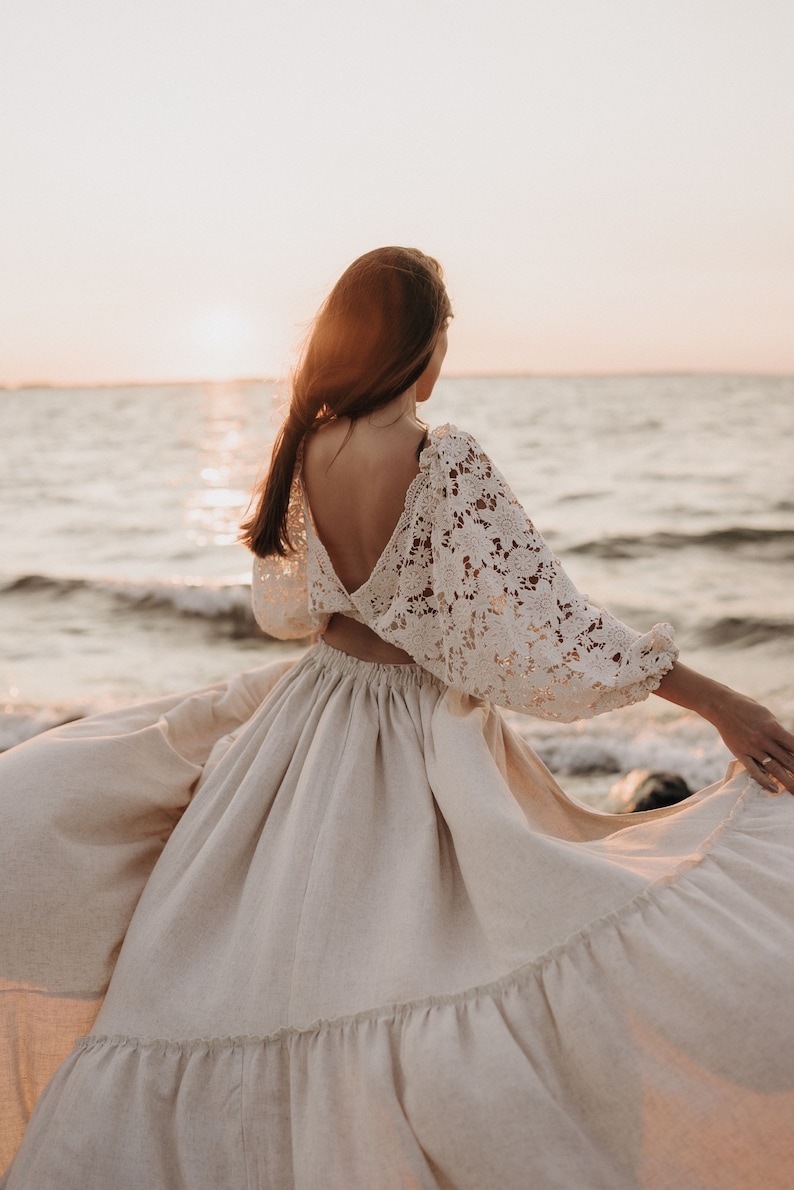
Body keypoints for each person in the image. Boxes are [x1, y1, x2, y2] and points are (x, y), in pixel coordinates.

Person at [1, 246, 793, 1189]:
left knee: (260, 985)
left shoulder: (310, 447)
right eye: (445, 330)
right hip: (415, 740)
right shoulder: (442, 458)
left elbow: (298, 612)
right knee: (457, 966)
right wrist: (719, 701)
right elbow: (555, 637)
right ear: (420, 341)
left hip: (306, 730)